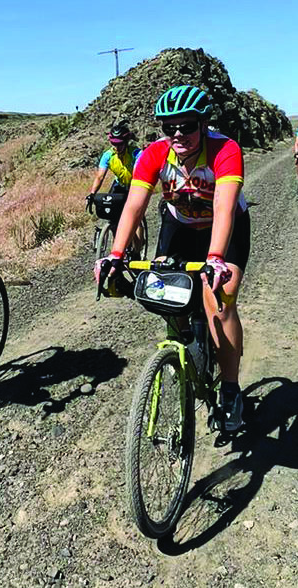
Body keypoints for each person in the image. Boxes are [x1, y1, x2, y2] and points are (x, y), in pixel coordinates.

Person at [95, 85, 250, 433]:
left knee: (219, 299)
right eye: (169, 127)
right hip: (179, 224)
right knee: (163, 292)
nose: (178, 134)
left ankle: (230, 389)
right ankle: (189, 345)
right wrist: (116, 255)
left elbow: (224, 207)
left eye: (188, 126)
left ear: (203, 123)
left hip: (225, 229)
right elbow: (135, 205)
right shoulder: (153, 154)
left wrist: (214, 259)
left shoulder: (224, 150)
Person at [87, 120, 144, 254]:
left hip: (134, 184)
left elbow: (137, 175)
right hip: (119, 184)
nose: (116, 147)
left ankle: (137, 251)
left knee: (135, 218)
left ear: (126, 142)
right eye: (113, 144)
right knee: (112, 216)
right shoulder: (108, 155)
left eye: (119, 144)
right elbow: (100, 176)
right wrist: (92, 193)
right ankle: (120, 247)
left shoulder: (136, 154)